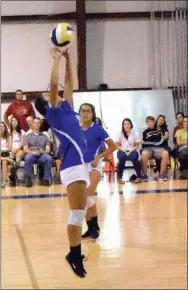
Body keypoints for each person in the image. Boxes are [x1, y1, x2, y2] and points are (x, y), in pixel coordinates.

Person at [39, 47, 95, 278]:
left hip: (79, 164)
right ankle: (74, 255)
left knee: (80, 212)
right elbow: (54, 86)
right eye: (48, 94)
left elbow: (69, 82)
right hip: (71, 166)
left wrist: (69, 58)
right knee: (76, 214)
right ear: (46, 103)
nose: (53, 92)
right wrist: (55, 60)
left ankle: (74, 253)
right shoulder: (53, 112)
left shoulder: (67, 108)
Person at [79, 103, 116, 240]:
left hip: (94, 165)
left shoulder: (98, 129)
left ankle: (94, 227)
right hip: (79, 166)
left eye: (88, 111)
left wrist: (99, 157)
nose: (85, 113)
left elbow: (113, 146)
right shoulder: (76, 129)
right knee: (84, 198)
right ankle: (91, 227)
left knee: (85, 195)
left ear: (92, 114)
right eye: (82, 111)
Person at [23, 118, 53, 187]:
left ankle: (46, 179)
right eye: (35, 123)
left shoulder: (45, 136)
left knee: (49, 158)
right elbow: (25, 149)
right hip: (31, 154)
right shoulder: (27, 136)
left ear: (40, 124)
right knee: (27, 157)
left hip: (41, 155)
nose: (36, 124)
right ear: (32, 124)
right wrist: (32, 152)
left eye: (38, 123)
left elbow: (48, 150)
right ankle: (28, 179)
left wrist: (41, 152)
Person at [141, 116, 169, 181]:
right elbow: (143, 142)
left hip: (157, 148)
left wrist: (151, 142)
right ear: (146, 123)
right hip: (147, 149)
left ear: (154, 122)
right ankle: (144, 175)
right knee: (144, 153)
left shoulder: (159, 131)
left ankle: (162, 175)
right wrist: (153, 142)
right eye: (147, 122)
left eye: (151, 121)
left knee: (165, 153)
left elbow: (160, 141)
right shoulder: (144, 132)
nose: (149, 123)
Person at [116, 118, 142, 184]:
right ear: (123, 125)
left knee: (136, 160)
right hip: (122, 150)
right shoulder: (120, 133)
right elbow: (117, 145)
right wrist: (124, 151)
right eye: (125, 124)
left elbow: (137, 145)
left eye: (128, 124)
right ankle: (120, 178)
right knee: (121, 159)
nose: (126, 125)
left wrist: (131, 150)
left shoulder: (135, 133)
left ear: (131, 125)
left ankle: (139, 177)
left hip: (132, 150)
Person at [9, 117, 25, 186]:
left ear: (18, 122)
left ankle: (13, 173)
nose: (14, 122)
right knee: (10, 156)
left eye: (16, 120)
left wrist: (16, 149)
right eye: (12, 121)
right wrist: (11, 150)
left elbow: (21, 143)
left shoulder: (22, 131)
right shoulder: (9, 131)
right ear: (11, 122)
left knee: (18, 155)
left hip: (19, 149)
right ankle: (13, 174)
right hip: (10, 150)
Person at [1, 122, 12, 188]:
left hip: (5, 153)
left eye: (3, 126)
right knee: (5, 160)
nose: (1, 128)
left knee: (4, 162)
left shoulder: (8, 136)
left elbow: (10, 148)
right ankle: (7, 159)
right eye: (0, 126)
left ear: (5, 128)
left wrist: (3, 150)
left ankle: (4, 181)